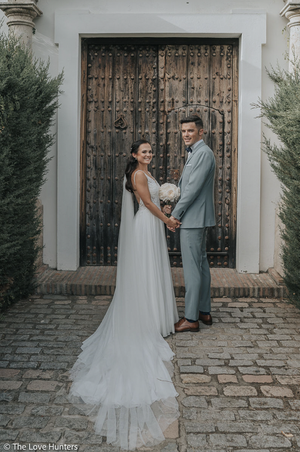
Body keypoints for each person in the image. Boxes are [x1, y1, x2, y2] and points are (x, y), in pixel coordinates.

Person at [68, 139, 180, 450]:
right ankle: (148, 317)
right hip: (147, 225)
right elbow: (146, 204)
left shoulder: (145, 172)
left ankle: (154, 314)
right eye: (143, 151)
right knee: (147, 270)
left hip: (150, 224)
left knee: (151, 270)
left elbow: (154, 200)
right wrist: (167, 218)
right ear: (133, 154)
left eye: (150, 151)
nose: (148, 154)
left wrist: (167, 204)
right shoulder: (139, 176)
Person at [170, 114, 216, 333]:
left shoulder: (203, 154)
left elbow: (192, 190)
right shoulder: (197, 153)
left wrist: (175, 215)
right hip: (196, 218)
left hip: (192, 219)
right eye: (183, 131)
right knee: (201, 264)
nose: (186, 134)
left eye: (190, 130)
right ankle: (204, 311)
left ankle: (190, 318)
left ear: (201, 131)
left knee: (192, 269)